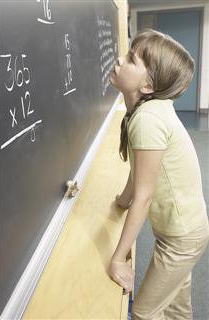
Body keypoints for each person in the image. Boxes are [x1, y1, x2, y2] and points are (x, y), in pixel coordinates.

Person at [108, 28, 209, 320]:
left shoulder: (147, 120)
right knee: (176, 306)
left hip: (181, 238)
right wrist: (122, 200)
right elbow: (141, 172)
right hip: (185, 228)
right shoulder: (149, 109)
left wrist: (118, 259)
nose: (119, 60)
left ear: (148, 85)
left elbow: (145, 195)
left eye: (130, 59)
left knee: (143, 313)